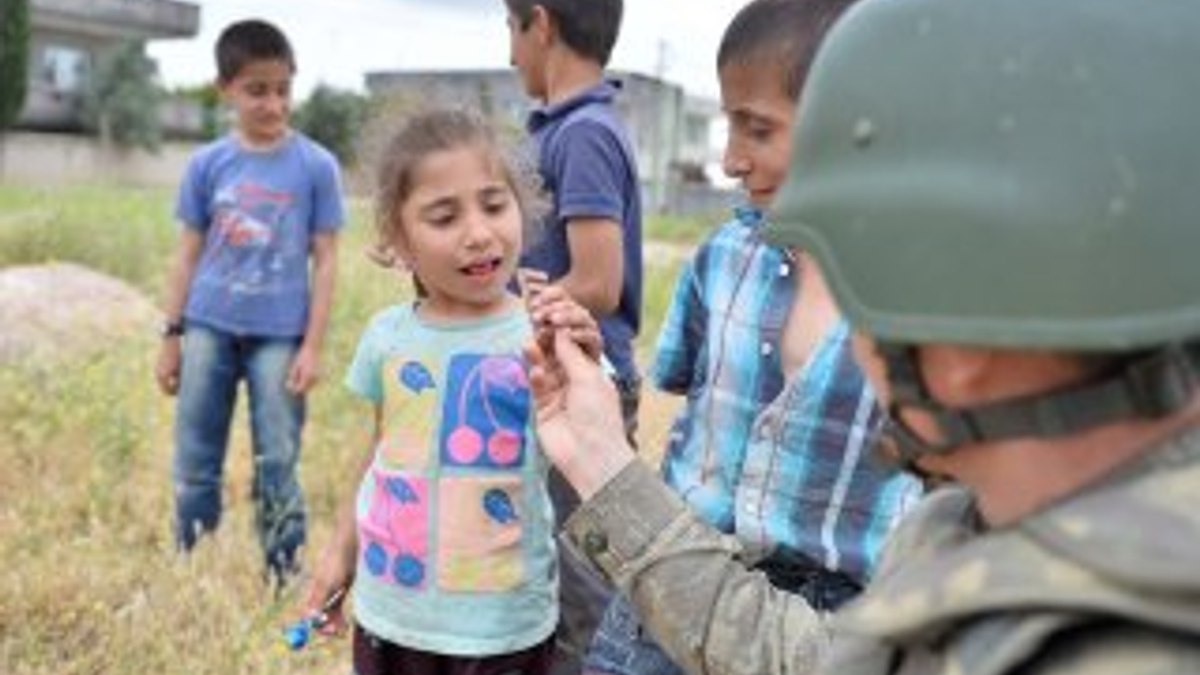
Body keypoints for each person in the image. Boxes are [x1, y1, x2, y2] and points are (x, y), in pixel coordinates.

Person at [524, 0, 1200, 672]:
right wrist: (598, 450)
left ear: (958, 343)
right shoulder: (980, 543)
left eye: (848, 269)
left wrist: (600, 459)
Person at [582, 1, 920, 674]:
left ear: (856, 126)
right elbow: (683, 407)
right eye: (729, 123)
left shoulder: (924, 296)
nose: (732, 159)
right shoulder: (723, 256)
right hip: (674, 584)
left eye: (758, 129)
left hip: (834, 626)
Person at [300, 109, 602, 675]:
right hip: (391, 617)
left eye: (494, 205)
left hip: (501, 631)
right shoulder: (388, 336)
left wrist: (581, 362)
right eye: (444, 217)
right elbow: (382, 456)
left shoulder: (544, 335)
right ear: (399, 241)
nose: (479, 233)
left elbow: (596, 450)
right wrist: (340, 555)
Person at [154, 18, 344, 581]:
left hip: (280, 338)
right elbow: (186, 254)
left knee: (278, 458)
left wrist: (312, 346)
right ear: (226, 89)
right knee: (194, 459)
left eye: (282, 89)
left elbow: (327, 259)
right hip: (209, 326)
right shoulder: (207, 165)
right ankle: (192, 565)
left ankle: (282, 572)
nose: (273, 103)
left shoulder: (315, 166)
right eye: (256, 90)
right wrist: (171, 337)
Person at [504, 1, 643, 670]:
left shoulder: (583, 133)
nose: (510, 53)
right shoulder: (557, 131)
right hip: (553, 383)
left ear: (541, 22)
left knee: (583, 583)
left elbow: (598, 279)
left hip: (584, 385)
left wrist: (506, 308)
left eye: (510, 32)